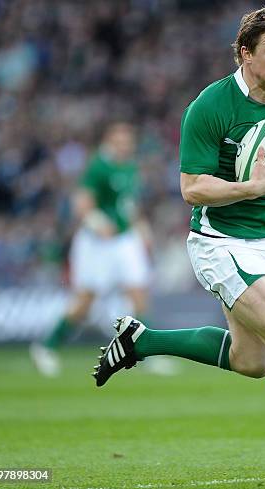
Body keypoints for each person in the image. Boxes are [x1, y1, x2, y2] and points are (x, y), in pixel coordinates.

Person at [91, 6, 265, 483]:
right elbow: (192, 187)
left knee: (251, 362)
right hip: (219, 243)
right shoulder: (210, 107)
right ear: (245, 54)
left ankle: (141, 340)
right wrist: (251, 188)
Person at [30, 123, 153, 377]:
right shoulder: (98, 166)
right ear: (108, 141)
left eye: (127, 140)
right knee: (86, 300)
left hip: (123, 239)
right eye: (120, 140)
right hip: (96, 243)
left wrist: (142, 228)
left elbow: (127, 205)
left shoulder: (129, 166)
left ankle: (147, 352)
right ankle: (46, 347)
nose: (125, 145)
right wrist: (98, 223)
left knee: (138, 292)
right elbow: (82, 203)